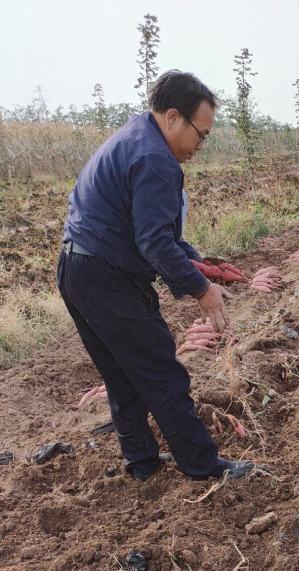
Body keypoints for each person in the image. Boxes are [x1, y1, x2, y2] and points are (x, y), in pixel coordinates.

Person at [57, 69, 253, 482]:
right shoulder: (155, 159)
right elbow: (154, 243)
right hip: (106, 276)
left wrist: (198, 262)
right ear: (173, 117)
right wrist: (202, 289)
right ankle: (202, 465)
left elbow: (152, 234)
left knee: (122, 375)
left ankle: (143, 463)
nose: (201, 145)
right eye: (201, 134)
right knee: (161, 371)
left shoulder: (135, 136)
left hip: (78, 269)